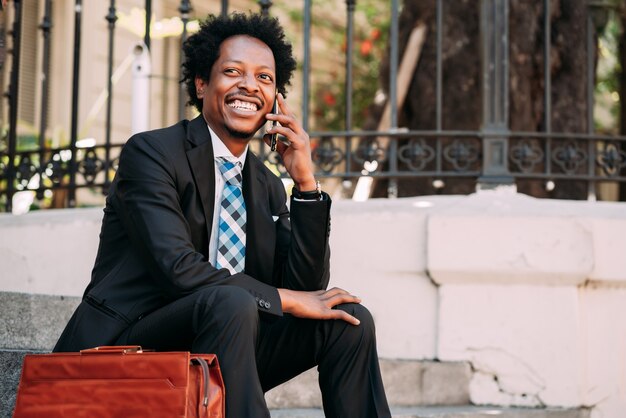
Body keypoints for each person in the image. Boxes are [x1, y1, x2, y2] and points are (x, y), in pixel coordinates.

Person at [54, 12, 391, 418]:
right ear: (202, 83)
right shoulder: (152, 153)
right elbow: (177, 269)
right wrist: (286, 299)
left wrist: (305, 184)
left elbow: (306, 286)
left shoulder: (265, 184)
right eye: (233, 71)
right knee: (232, 300)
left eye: (264, 78)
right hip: (133, 346)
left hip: (228, 344)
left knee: (347, 320)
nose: (249, 85)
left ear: (275, 98)